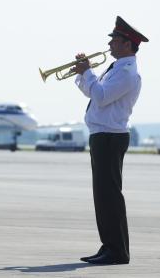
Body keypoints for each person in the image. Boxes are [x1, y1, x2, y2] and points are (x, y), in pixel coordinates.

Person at [71, 16, 148, 265]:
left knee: (109, 195)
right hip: (101, 136)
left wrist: (88, 72)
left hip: (110, 137)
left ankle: (117, 251)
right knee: (102, 196)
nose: (111, 44)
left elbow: (102, 97)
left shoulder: (128, 73)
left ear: (128, 44)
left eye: (115, 40)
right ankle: (109, 246)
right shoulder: (115, 69)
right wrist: (84, 74)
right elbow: (93, 92)